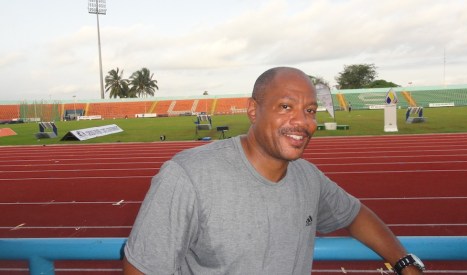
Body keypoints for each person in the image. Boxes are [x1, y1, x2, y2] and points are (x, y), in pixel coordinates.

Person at [123, 67, 424, 274]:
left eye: (309, 110)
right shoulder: (188, 176)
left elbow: (355, 215)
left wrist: (403, 262)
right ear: (254, 111)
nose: (303, 122)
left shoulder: (309, 178)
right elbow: (141, 268)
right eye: (285, 107)